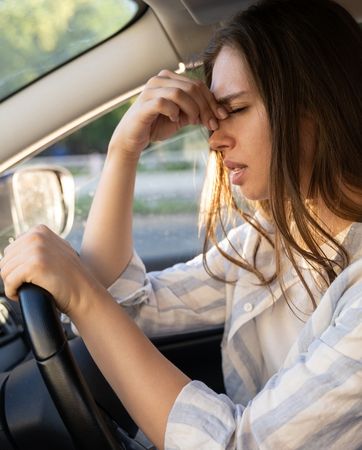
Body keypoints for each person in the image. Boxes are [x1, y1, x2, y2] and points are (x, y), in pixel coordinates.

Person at [1, 0, 362, 448]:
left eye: (236, 109)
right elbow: (125, 309)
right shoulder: (275, 235)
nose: (214, 139)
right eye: (215, 115)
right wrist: (124, 151)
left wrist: (81, 293)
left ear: (315, 106)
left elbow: (238, 443)